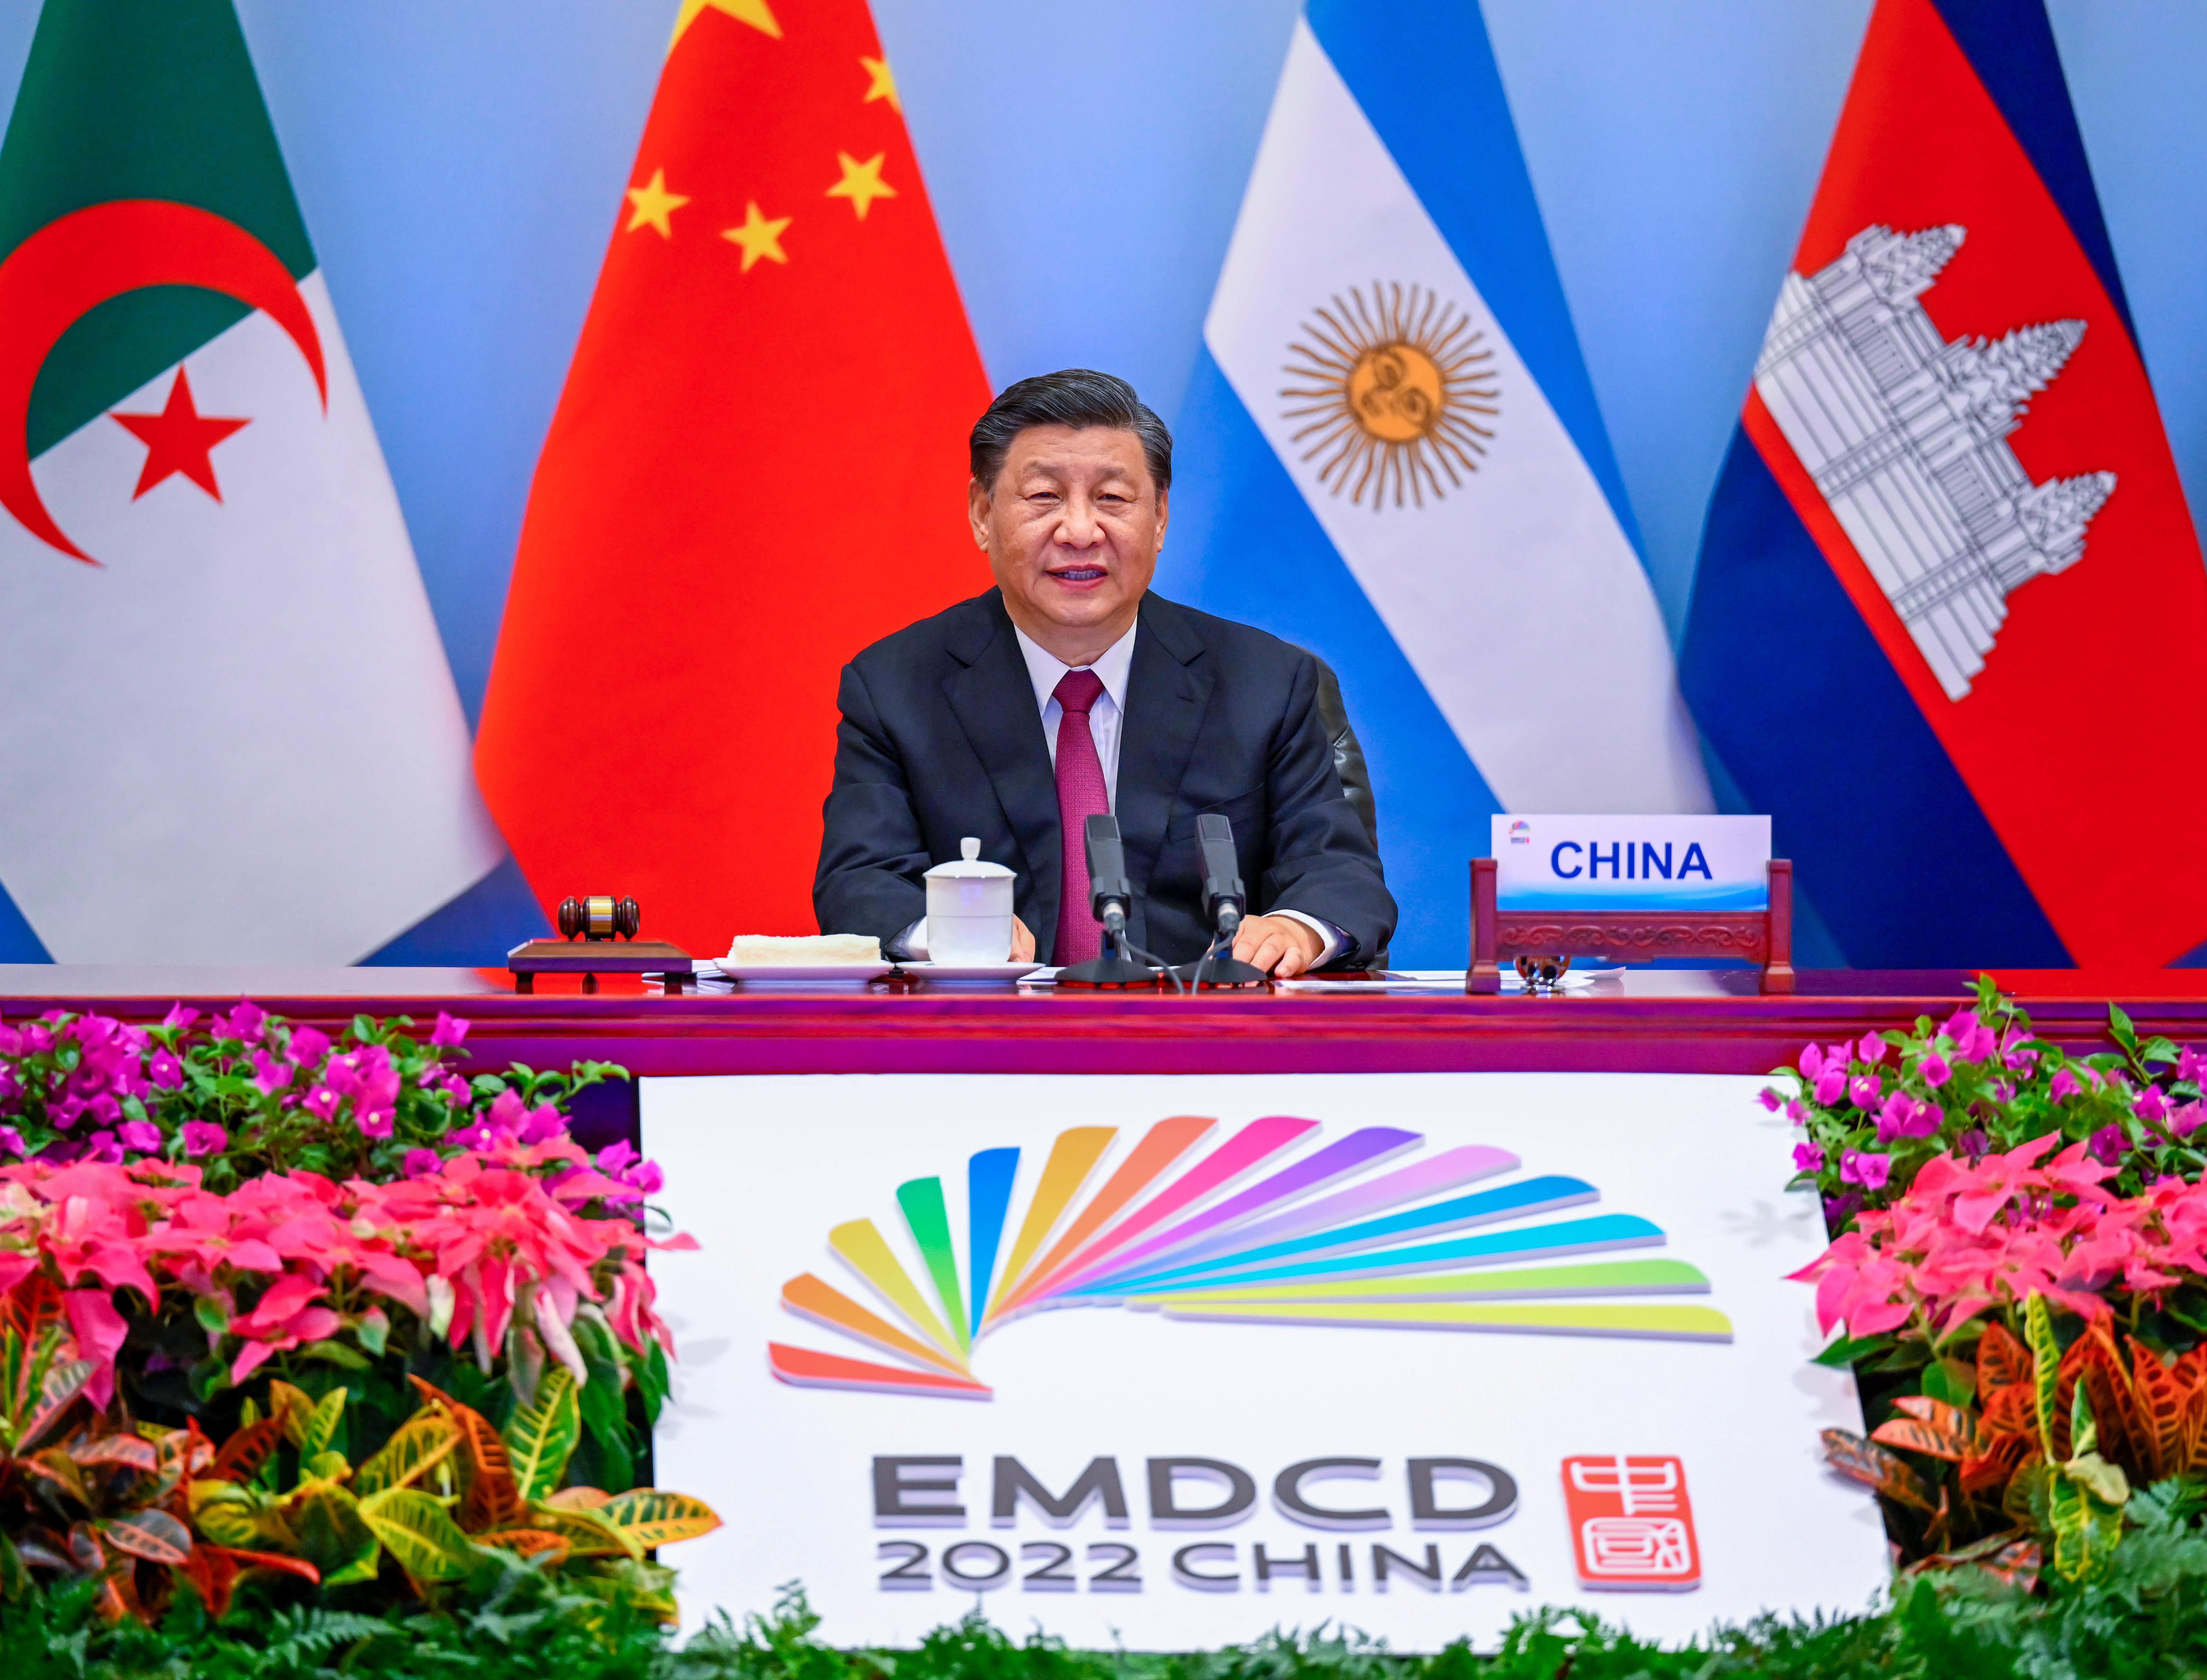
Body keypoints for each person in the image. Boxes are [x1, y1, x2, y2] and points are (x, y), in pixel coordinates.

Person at [813, 369, 1395, 976]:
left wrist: (1296, 928)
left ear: (1160, 517)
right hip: (988, 1030)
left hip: (1202, 1028)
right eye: (1044, 497)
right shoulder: (898, 687)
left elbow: (1339, 873)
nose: (1080, 531)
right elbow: (860, 882)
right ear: (982, 514)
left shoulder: (1265, 683)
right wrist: (946, 932)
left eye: (1112, 499)